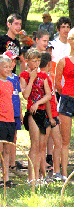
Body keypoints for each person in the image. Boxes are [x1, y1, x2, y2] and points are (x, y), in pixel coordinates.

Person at [20, 49, 51, 183]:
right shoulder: (24, 75)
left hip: (41, 110)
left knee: (41, 146)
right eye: (34, 61)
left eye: (38, 60)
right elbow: (25, 95)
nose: (37, 63)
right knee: (34, 145)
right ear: (27, 61)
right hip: (32, 113)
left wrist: (38, 103)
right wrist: (32, 78)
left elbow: (48, 95)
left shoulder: (43, 75)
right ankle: (31, 177)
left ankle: (38, 176)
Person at [0, 55, 17, 188]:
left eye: (9, 67)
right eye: (4, 67)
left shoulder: (10, 84)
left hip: (10, 120)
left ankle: (7, 177)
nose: (7, 69)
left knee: (7, 150)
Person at [39, 52, 62, 180]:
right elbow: (46, 99)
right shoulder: (42, 77)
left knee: (57, 142)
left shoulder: (49, 76)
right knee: (42, 146)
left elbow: (53, 98)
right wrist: (51, 117)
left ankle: (56, 172)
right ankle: (43, 175)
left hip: (53, 114)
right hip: (47, 115)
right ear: (49, 64)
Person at [55, 28, 74, 180]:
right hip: (67, 99)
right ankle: (64, 173)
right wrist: (65, 94)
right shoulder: (63, 61)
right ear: (69, 40)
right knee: (65, 139)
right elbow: (57, 84)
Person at [5, 51, 24, 173]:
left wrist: (21, 112)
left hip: (16, 112)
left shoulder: (16, 78)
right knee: (6, 139)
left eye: (13, 61)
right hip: (6, 113)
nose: (12, 63)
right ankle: (5, 164)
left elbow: (18, 97)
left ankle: (12, 164)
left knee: (14, 138)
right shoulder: (2, 78)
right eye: (9, 61)